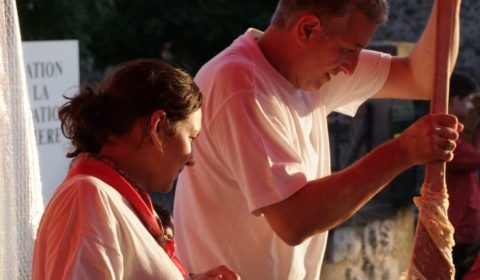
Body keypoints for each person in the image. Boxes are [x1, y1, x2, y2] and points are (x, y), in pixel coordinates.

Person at [173, 0, 463, 279]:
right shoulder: (239, 82)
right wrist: (402, 151)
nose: (350, 67)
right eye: (348, 50)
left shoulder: (303, 68)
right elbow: (294, 219)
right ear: (307, 29)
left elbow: (421, 78)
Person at [32, 59, 239, 280]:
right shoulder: (88, 196)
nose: (192, 158)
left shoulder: (100, 196)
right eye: (190, 137)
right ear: (157, 126)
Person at [446, 71, 480, 280]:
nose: (469, 107)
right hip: (457, 226)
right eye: (467, 101)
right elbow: (473, 158)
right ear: (455, 100)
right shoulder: (446, 136)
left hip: (461, 224)